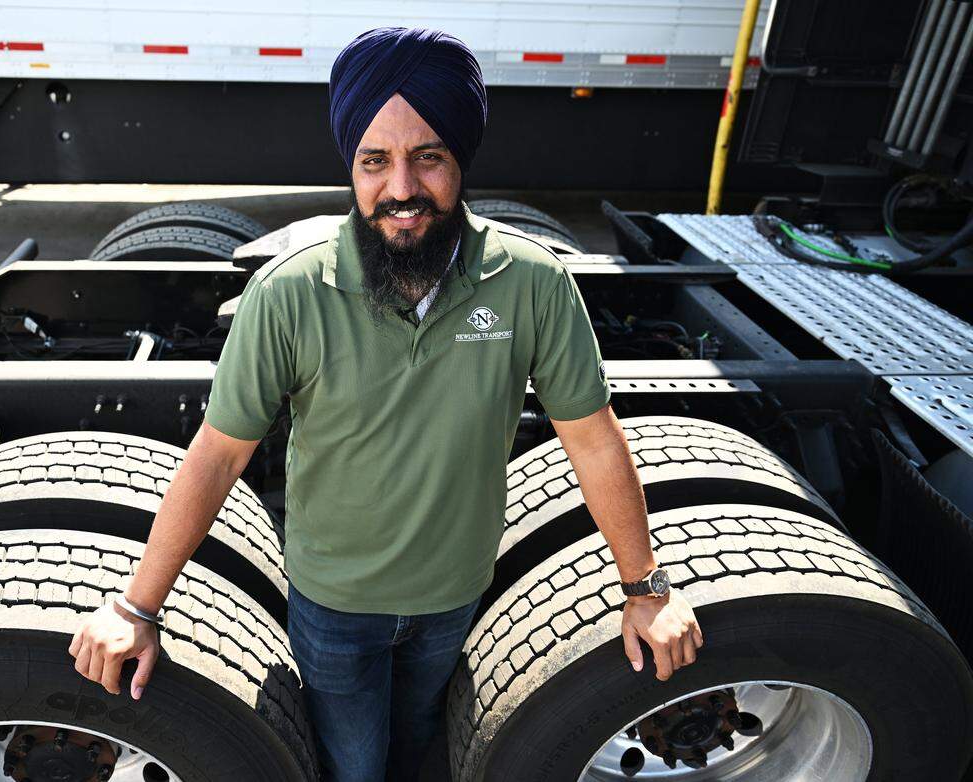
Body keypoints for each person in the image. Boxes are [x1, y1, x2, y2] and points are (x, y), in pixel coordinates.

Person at [68, 26, 703, 782]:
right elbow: (218, 455)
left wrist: (646, 590)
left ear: (460, 160)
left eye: (427, 157)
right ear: (353, 167)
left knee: (416, 741)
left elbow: (593, 440)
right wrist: (137, 608)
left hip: (454, 595)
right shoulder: (288, 293)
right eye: (376, 161)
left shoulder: (533, 283)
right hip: (333, 604)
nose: (401, 188)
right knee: (356, 764)